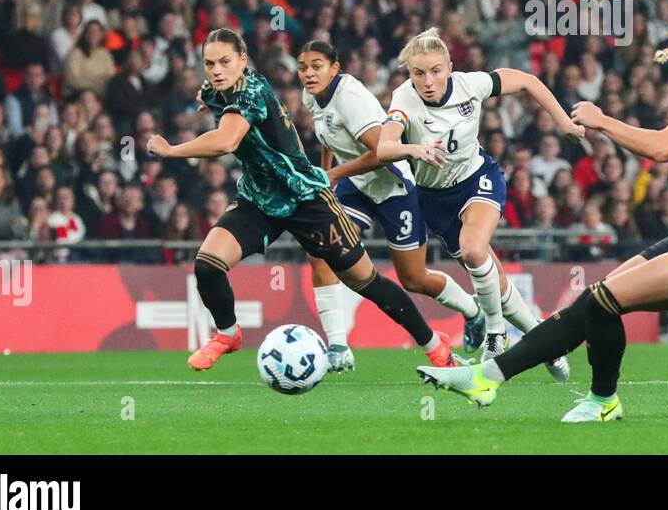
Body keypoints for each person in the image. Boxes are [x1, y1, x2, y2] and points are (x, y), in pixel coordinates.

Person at [417, 0, 668, 422]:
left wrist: (602, 120)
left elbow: (663, 148)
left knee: (604, 299)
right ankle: (489, 376)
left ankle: (599, 399)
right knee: (594, 301)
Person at [146, 28, 455, 372]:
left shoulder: (250, 91)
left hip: (305, 197)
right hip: (260, 199)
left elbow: (226, 142)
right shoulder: (218, 87)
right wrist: (206, 97)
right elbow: (209, 94)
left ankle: (433, 344)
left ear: (243, 61)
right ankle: (228, 334)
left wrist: (172, 150)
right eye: (209, 63)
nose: (216, 70)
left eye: (224, 62)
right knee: (207, 262)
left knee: (367, 283)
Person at [375, 27, 581, 381]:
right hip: (434, 198)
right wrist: (414, 149)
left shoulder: (472, 85)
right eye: (418, 73)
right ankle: (547, 342)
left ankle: (495, 336)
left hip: (477, 179)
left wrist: (562, 120)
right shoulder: (404, 98)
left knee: (473, 250)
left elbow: (528, 81)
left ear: (450, 67)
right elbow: (384, 147)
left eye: (436, 70)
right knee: (493, 277)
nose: (427, 80)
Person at [297, 39, 485, 371]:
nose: (309, 74)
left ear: (334, 68)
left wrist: (334, 173)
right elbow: (327, 137)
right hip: (356, 186)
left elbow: (379, 152)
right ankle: (337, 346)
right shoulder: (311, 96)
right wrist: (329, 173)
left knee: (413, 279)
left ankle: (473, 310)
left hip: (393, 185)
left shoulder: (349, 99)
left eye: (317, 66)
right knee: (321, 248)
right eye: (303, 67)